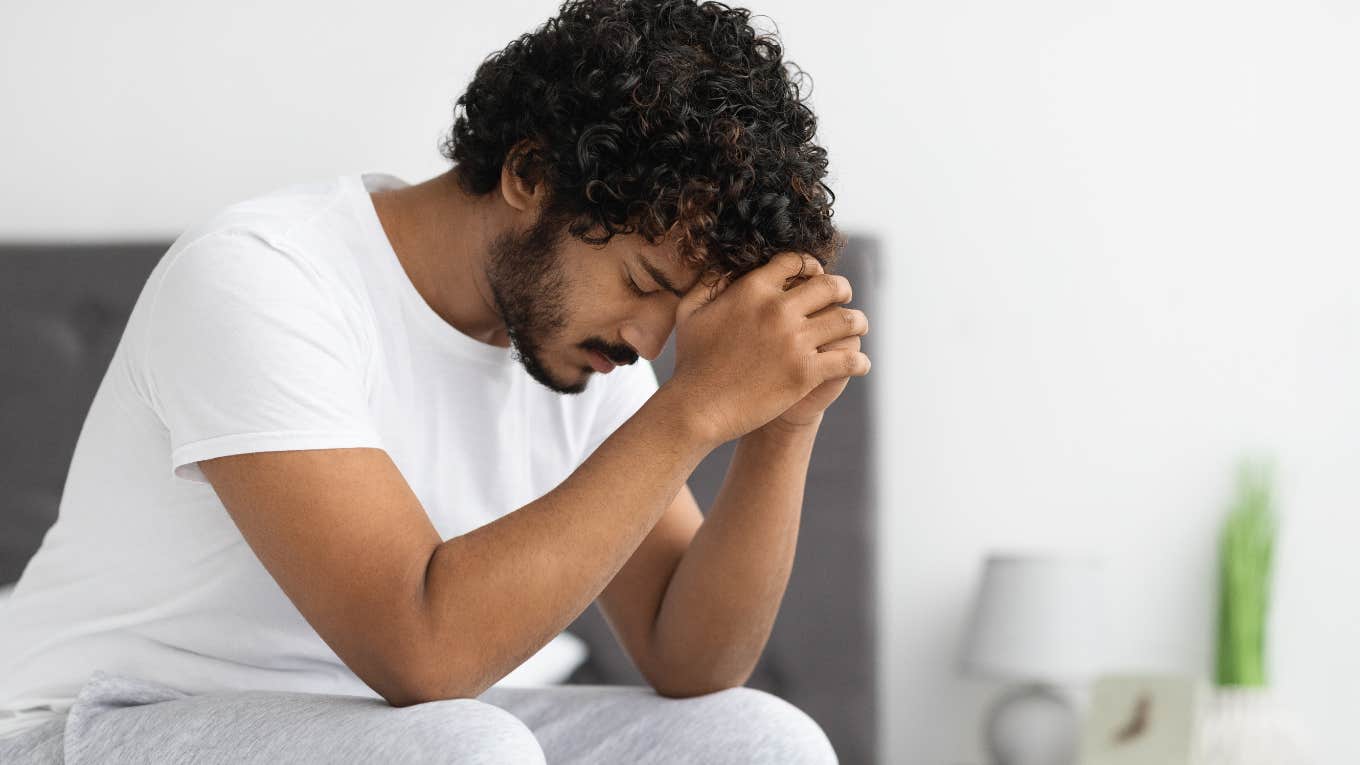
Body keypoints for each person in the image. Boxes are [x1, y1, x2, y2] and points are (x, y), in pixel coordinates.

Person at [0, 0, 869, 761]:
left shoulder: (581, 340)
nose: (649, 339)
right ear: (529, 175)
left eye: (677, 314)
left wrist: (779, 425)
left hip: (383, 735)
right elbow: (424, 653)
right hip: (95, 726)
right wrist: (693, 408)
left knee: (756, 737)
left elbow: (690, 661)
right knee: (463, 746)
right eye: (645, 283)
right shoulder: (264, 277)